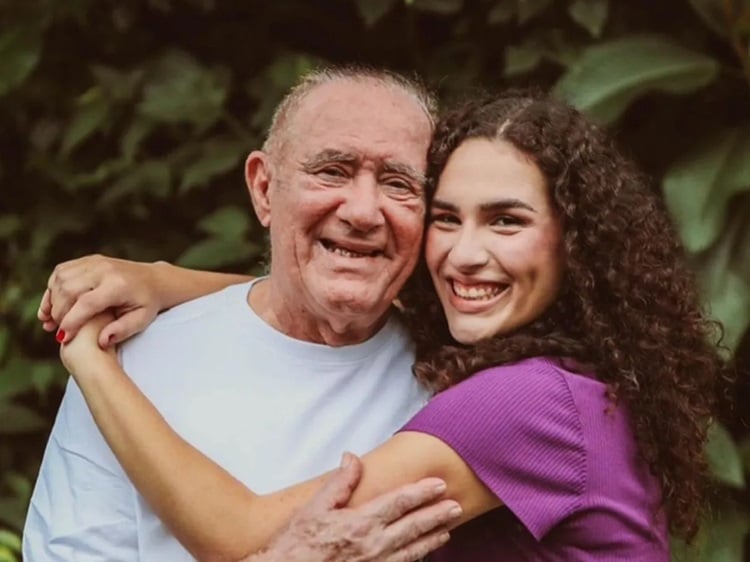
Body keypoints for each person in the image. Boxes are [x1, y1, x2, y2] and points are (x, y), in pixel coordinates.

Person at [37, 89, 725, 560]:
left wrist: (93, 357)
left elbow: (241, 538)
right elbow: (318, 293)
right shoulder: (571, 379)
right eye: (447, 218)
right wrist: (165, 280)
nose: (464, 253)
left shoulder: (521, 406)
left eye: (507, 220)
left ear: (575, 244)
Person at [23, 66, 465, 562]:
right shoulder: (128, 361)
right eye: (332, 171)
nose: (363, 211)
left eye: (399, 183)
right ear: (263, 189)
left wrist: (165, 278)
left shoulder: (462, 373)